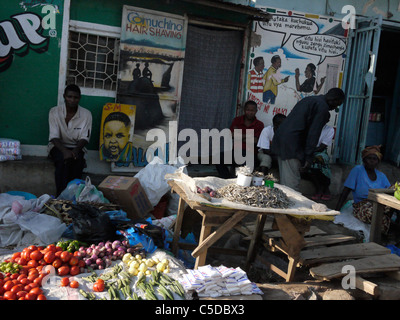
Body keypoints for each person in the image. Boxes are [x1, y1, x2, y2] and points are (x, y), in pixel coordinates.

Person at [271, 87, 345, 191]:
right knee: (291, 187)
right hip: (292, 145)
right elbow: (313, 134)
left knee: (286, 182)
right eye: (337, 105)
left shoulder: (310, 99)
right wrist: (308, 157)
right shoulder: (322, 108)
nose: (334, 108)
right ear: (335, 100)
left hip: (282, 140)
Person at [335, 145, 392, 234]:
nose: (372, 161)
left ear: (378, 161)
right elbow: (345, 191)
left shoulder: (382, 176)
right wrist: (336, 210)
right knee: (377, 216)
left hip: (379, 205)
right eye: (369, 158)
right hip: (361, 206)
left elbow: (389, 191)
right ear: (364, 160)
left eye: (375, 159)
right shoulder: (357, 170)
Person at [48, 84, 92, 196]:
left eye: (76, 97)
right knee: (62, 162)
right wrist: (64, 151)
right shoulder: (54, 112)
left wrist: (75, 151)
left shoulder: (86, 114)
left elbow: (85, 138)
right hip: (58, 146)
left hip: (77, 147)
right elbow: (54, 137)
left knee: (78, 163)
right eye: (69, 97)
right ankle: (60, 196)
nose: (72, 100)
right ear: (64, 96)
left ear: (79, 98)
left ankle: (74, 196)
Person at [216, 100, 264, 179]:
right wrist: (249, 136)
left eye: (252, 111)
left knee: (245, 166)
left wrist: (239, 136)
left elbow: (255, 141)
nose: (250, 112)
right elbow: (231, 135)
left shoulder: (259, 124)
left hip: (250, 154)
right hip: (235, 152)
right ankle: (227, 179)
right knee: (218, 157)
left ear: (256, 111)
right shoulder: (237, 120)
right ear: (244, 110)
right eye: (248, 110)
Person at [301, 124, 335, 200]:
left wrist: (310, 152)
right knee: (309, 165)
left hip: (320, 151)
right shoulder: (309, 127)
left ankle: (325, 188)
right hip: (307, 151)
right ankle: (319, 188)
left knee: (319, 161)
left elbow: (322, 147)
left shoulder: (329, 129)